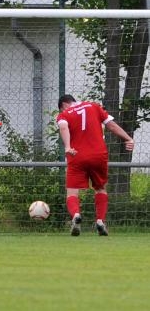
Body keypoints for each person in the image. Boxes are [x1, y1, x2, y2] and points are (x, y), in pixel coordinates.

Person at [56, 94, 134, 236]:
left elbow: (63, 127)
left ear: (64, 105)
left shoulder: (64, 114)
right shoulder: (94, 106)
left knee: (72, 191)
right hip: (98, 155)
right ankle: (100, 221)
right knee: (100, 188)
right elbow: (111, 125)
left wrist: (67, 146)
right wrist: (128, 138)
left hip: (77, 156)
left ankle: (75, 215)